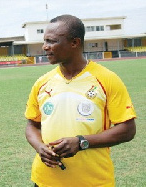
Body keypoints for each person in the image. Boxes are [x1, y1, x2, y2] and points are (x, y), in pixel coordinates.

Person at [25, 14, 136, 187]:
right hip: (45, 180)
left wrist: (81, 142)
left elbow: (127, 130)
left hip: (93, 181)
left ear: (74, 43)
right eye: (44, 41)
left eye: (51, 41)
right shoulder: (42, 83)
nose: (45, 47)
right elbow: (32, 125)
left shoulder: (107, 79)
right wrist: (39, 147)